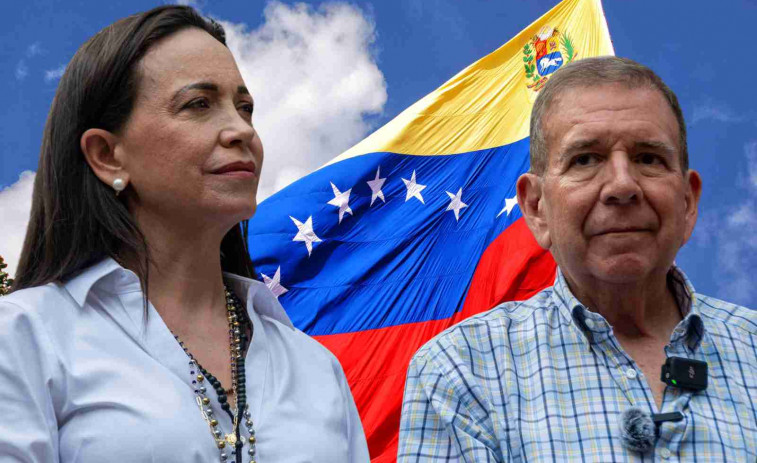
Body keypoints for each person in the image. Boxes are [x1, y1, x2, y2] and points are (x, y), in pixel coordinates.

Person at [0, 6, 368, 462]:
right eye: (198, 104)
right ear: (107, 156)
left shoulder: (316, 368)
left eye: (245, 108)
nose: (240, 130)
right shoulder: (22, 337)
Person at [398, 56, 756, 461]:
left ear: (688, 202)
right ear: (536, 207)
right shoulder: (461, 369)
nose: (622, 185)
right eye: (585, 159)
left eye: (648, 159)